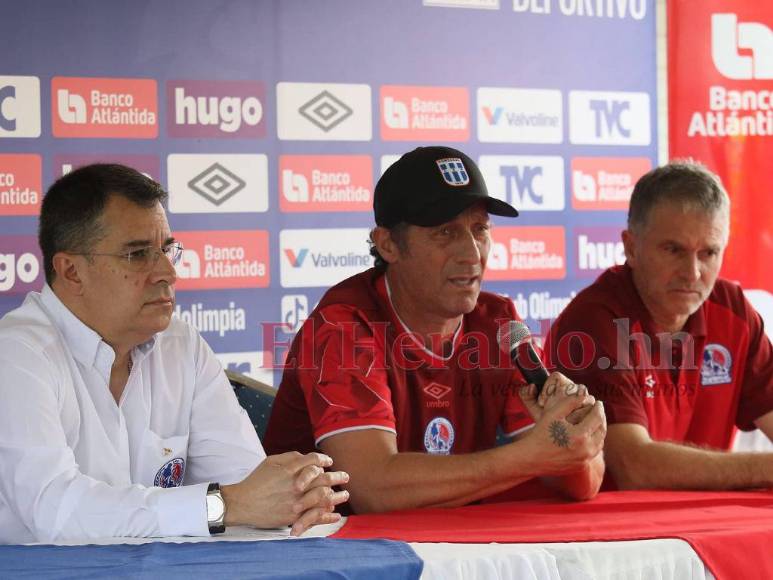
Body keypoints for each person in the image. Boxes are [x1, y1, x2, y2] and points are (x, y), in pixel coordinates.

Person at [0, 164, 348, 544]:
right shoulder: (17, 353)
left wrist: (291, 498)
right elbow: (56, 510)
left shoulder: (181, 344)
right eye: (137, 255)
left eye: (167, 249)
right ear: (71, 271)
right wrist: (221, 506)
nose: (168, 272)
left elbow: (248, 485)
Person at [264, 146, 606, 513]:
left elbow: (584, 484)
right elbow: (371, 487)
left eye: (480, 229)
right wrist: (533, 456)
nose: (472, 253)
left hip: (448, 549)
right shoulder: (344, 324)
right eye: (445, 232)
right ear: (388, 244)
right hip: (328, 554)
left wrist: (572, 438)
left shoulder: (499, 322)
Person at [545, 161, 773, 490]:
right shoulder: (595, 322)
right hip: (611, 535)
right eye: (674, 250)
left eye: (708, 253)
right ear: (631, 247)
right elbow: (635, 468)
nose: (692, 272)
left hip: (705, 526)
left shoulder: (732, 310)